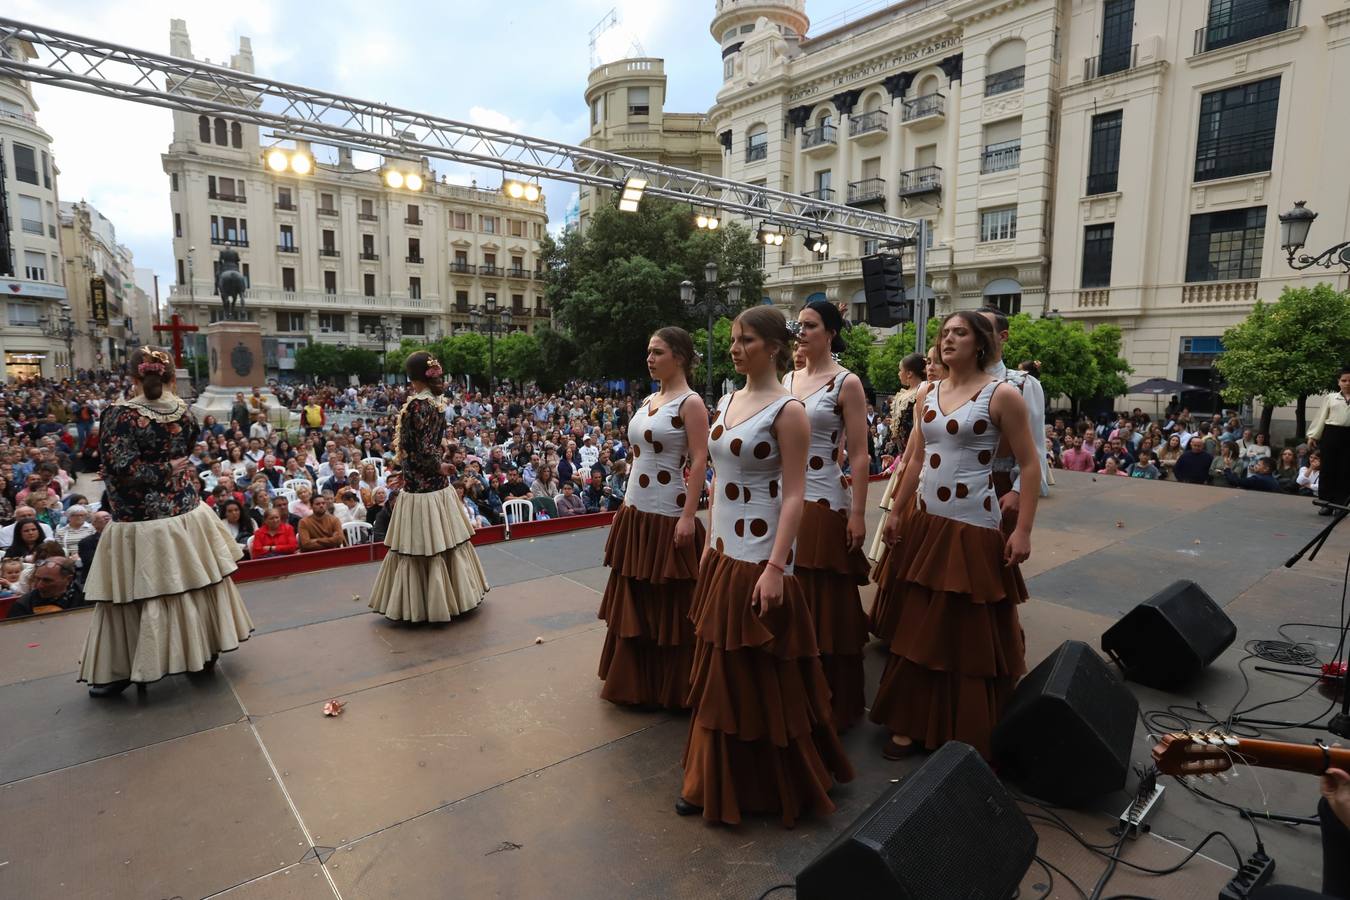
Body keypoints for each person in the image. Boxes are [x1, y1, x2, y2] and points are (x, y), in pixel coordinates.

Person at [678, 306, 854, 827]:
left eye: (747, 339)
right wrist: (710, 542)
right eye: (733, 338)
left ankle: (764, 780)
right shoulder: (727, 400)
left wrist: (777, 567)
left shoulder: (790, 410)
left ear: (775, 347)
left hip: (761, 556)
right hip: (723, 553)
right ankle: (712, 775)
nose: (736, 347)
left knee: (756, 669)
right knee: (720, 666)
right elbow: (716, 476)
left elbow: (796, 495)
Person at [870, 310, 1039, 760]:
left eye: (959, 333)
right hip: (927, 520)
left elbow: (1029, 463)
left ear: (980, 343)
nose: (947, 340)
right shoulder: (928, 390)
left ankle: (964, 726)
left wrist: (1022, 531)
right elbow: (914, 460)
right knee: (919, 622)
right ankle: (911, 721)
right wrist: (898, 512)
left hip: (973, 525)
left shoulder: (1001, 394)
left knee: (965, 628)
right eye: (944, 333)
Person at [79, 347, 253, 698]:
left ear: (133, 378)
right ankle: (203, 650)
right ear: (171, 377)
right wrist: (166, 468)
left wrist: (134, 471)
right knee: (194, 581)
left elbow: (122, 467)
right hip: (185, 512)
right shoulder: (182, 411)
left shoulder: (119, 415)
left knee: (139, 592)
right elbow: (184, 452)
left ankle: (123, 666)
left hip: (141, 519)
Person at [598, 327, 708, 710]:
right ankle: (636, 681)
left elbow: (699, 461)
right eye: (649, 351)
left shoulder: (691, 403)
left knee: (668, 601)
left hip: (668, 512)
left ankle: (670, 687)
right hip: (635, 509)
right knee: (637, 595)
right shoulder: (649, 399)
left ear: (678, 356)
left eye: (657, 352)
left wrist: (688, 517)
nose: (649, 358)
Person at [784, 301, 872, 731]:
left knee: (823, 600)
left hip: (823, 497)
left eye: (811, 325)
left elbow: (858, 453)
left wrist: (858, 514)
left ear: (831, 332)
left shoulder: (847, 382)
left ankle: (829, 703)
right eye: (798, 324)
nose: (801, 331)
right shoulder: (788, 377)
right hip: (785, 497)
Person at [368, 352, 488, 623]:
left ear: (411, 377)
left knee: (422, 546)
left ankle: (425, 606)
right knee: (443, 543)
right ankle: (456, 597)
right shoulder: (434, 403)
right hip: (434, 486)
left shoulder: (418, 405)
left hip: (422, 489)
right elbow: (429, 444)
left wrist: (437, 465)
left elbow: (422, 448)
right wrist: (437, 464)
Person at [979, 308, 1048, 530]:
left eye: (985, 329)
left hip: (1000, 486)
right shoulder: (952, 383)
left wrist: (1018, 491)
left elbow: (1035, 448)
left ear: (1003, 336)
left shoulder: (1023, 384)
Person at [868, 352, 928, 562]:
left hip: (915, 458)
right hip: (904, 455)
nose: (899, 373)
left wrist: (904, 458)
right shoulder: (908, 393)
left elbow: (915, 431)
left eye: (901, 370)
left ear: (909, 373)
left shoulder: (922, 392)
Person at [1309, 368, 1350, 515]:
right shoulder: (1331, 398)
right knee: (1328, 468)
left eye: (1349, 380)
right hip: (1331, 433)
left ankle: (1341, 504)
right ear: (1338, 382)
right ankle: (1326, 503)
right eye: (1344, 380)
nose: (1347, 383)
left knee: (1345, 470)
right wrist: (1313, 435)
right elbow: (1321, 417)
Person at [5, 557, 85, 619]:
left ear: (68, 579)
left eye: (47, 580)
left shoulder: (87, 600)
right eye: (37, 579)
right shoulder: (23, 605)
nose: (39, 585)